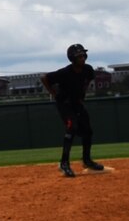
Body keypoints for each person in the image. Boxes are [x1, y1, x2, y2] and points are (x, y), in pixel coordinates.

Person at [41, 44, 106, 177]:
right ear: (72, 58)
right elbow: (44, 78)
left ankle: (87, 160)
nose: (83, 58)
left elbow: (87, 81)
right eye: (79, 56)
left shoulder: (88, 70)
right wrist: (54, 94)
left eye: (83, 55)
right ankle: (64, 163)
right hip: (65, 104)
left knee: (88, 131)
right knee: (72, 128)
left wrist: (82, 94)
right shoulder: (65, 72)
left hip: (77, 103)